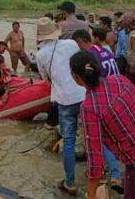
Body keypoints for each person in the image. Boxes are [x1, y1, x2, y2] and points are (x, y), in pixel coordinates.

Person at [69, 50, 135, 199]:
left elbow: (95, 159)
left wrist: (91, 195)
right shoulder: (120, 80)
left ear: (77, 77)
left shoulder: (89, 107)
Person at [35, 17, 86, 195]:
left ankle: (70, 182)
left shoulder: (41, 55)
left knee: (69, 141)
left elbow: (45, 80)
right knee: (93, 134)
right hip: (83, 94)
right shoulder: (71, 43)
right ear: (55, 31)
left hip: (64, 101)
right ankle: (103, 173)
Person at [71, 30, 122, 192]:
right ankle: (111, 171)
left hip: (104, 100)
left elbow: (93, 82)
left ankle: (112, 174)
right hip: (116, 93)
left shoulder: (89, 58)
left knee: (99, 138)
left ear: (80, 42)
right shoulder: (104, 50)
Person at [122, 12, 135, 84]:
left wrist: (132, 66)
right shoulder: (131, 32)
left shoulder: (133, 34)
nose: (122, 23)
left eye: (124, 21)